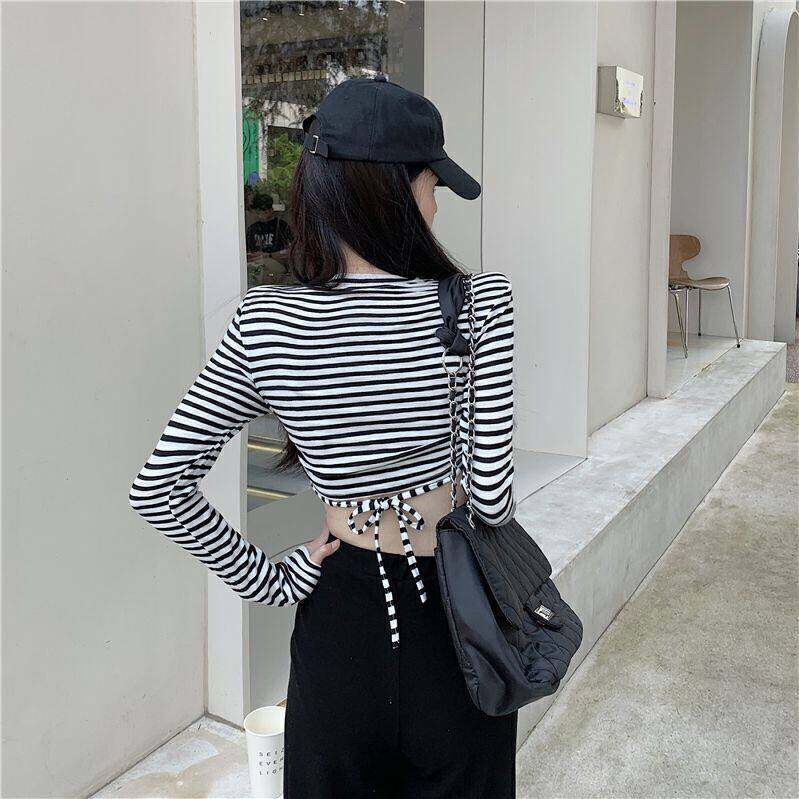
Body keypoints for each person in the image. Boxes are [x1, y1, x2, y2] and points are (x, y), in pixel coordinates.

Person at [128, 75, 516, 799]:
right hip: (456, 621)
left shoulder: (264, 321)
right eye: (432, 184)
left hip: (339, 617)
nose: (436, 204)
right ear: (396, 190)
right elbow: (491, 502)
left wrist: (270, 579)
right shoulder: (476, 303)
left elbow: (158, 486)